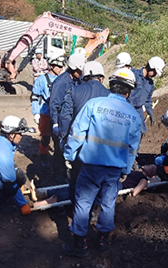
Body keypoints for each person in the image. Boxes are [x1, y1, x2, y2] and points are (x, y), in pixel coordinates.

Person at [62, 68, 141, 257]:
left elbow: (77, 133)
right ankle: (103, 239)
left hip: (91, 166)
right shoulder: (134, 116)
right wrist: (127, 170)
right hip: (114, 170)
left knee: (83, 202)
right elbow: (132, 148)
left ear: (111, 85)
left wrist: (69, 155)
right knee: (108, 203)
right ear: (129, 91)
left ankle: (79, 244)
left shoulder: (94, 105)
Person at [59, 61, 111, 202]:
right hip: (102, 147)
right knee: (98, 181)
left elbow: (65, 118)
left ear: (85, 76)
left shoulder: (74, 91)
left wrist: (64, 141)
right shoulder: (110, 96)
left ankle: (74, 207)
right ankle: (93, 210)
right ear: (101, 77)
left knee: (76, 177)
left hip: (78, 145)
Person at [49, 52, 86, 183]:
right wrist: (55, 124)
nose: (81, 73)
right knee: (59, 150)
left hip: (72, 121)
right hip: (60, 122)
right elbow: (54, 104)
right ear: (73, 68)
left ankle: (71, 172)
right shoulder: (61, 82)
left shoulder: (78, 80)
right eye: (79, 70)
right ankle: (58, 176)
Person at [128, 56, 165, 168]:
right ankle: (124, 158)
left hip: (138, 110)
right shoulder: (133, 75)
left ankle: (132, 159)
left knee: (140, 132)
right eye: (154, 71)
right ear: (150, 67)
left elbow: (148, 100)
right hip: (128, 107)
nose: (154, 74)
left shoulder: (150, 84)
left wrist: (151, 113)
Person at [30, 53, 66, 168]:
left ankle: (57, 158)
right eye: (58, 66)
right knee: (45, 137)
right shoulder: (41, 80)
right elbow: (34, 96)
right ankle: (43, 156)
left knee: (59, 137)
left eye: (61, 67)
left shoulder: (62, 80)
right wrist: (36, 113)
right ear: (51, 65)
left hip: (58, 113)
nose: (60, 69)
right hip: (45, 113)